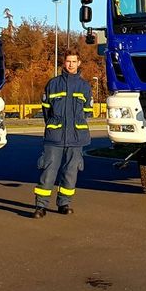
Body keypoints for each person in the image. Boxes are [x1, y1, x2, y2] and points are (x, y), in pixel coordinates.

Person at [33, 51, 92, 217]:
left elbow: (87, 112)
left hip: (76, 137)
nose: (71, 64)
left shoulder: (85, 87)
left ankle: (64, 203)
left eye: (74, 61)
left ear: (79, 63)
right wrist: (54, 125)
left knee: (70, 173)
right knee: (48, 172)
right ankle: (40, 206)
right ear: (63, 63)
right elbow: (47, 111)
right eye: (68, 61)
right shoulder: (52, 84)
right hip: (55, 137)